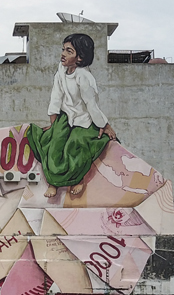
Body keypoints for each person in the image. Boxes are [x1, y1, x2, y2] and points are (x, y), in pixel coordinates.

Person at [26, 33, 117, 198]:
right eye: (63, 49)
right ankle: (54, 183)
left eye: (69, 51)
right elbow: (56, 96)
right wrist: (54, 124)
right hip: (65, 117)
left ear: (80, 57)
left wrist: (105, 125)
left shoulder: (84, 77)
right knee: (52, 144)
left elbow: (91, 105)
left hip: (84, 119)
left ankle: (77, 180)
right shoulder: (61, 70)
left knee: (75, 147)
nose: (63, 54)